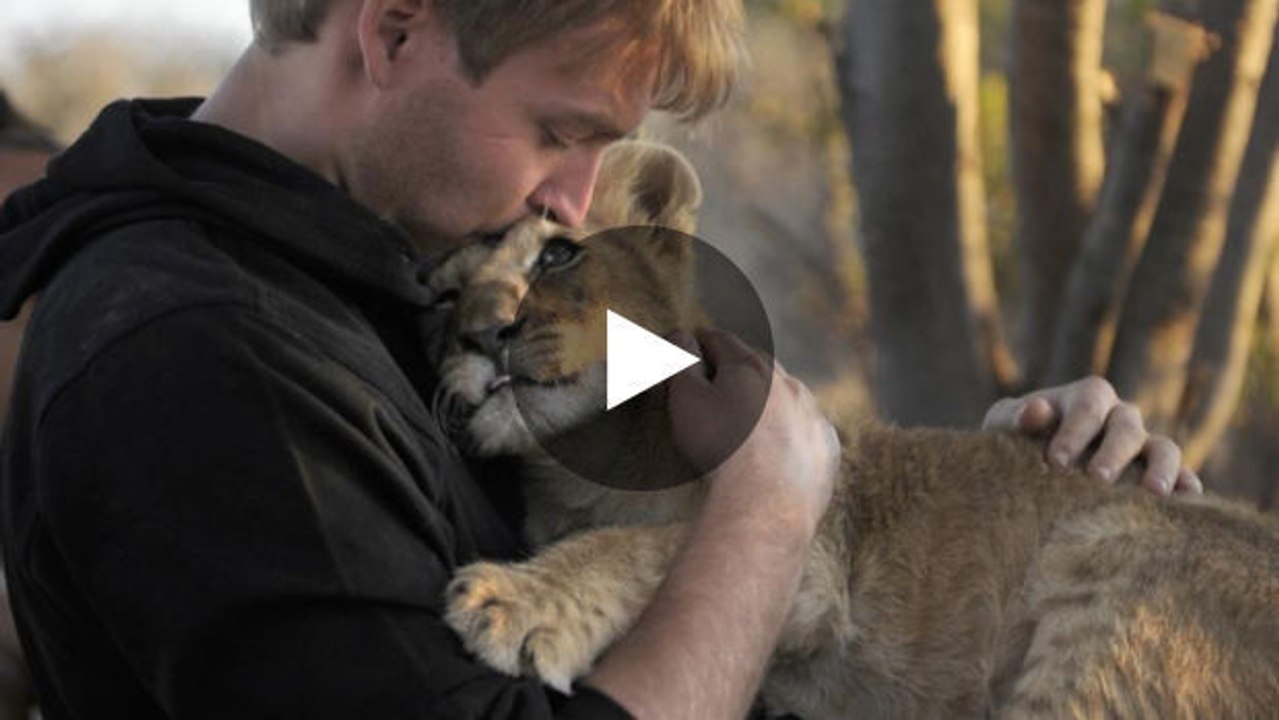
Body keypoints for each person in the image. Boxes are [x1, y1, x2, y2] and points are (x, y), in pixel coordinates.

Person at [0, 2, 1199, 718]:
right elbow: (749, 519)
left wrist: (1001, 512)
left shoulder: (392, 271)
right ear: (397, 26)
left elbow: (749, 487)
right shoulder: (199, 352)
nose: (577, 200)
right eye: (558, 131)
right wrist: (766, 518)